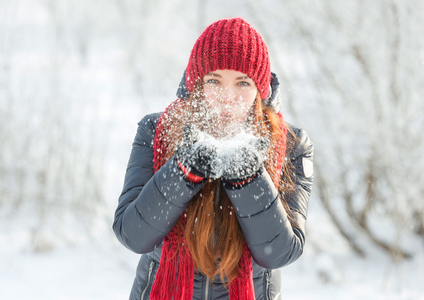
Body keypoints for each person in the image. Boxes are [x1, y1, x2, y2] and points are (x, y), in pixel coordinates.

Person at [113, 17, 314, 300]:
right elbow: (133, 235)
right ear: (197, 84)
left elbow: (279, 253)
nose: (227, 97)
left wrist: (250, 179)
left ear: (259, 90)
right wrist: (183, 171)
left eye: (242, 83)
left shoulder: (291, 144)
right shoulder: (157, 131)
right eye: (214, 80)